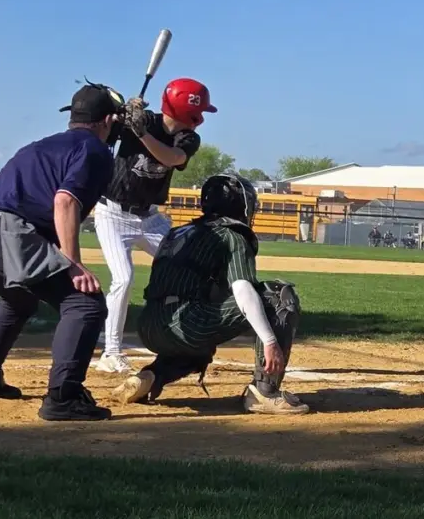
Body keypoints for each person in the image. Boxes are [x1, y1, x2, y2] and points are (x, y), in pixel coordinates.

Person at [0, 81, 122, 421]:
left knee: (19, 298)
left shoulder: (40, 146)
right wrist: (72, 263)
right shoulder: (94, 150)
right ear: (107, 120)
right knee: (84, 304)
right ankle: (64, 397)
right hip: (8, 232)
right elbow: (65, 201)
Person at [111, 174, 309, 415]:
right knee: (277, 295)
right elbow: (242, 288)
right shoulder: (232, 235)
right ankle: (265, 391)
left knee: (199, 350)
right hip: (187, 323)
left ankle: (151, 376)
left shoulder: (177, 232)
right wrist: (269, 341)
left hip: (149, 325)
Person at [93, 78, 212, 374]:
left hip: (150, 219)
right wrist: (123, 111)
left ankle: (184, 335)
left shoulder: (187, 139)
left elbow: (171, 158)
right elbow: (104, 127)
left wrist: (142, 133)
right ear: (189, 110)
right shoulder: (143, 119)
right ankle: (110, 352)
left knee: (188, 266)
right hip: (113, 214)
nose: (201, 120)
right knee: (123, 278)